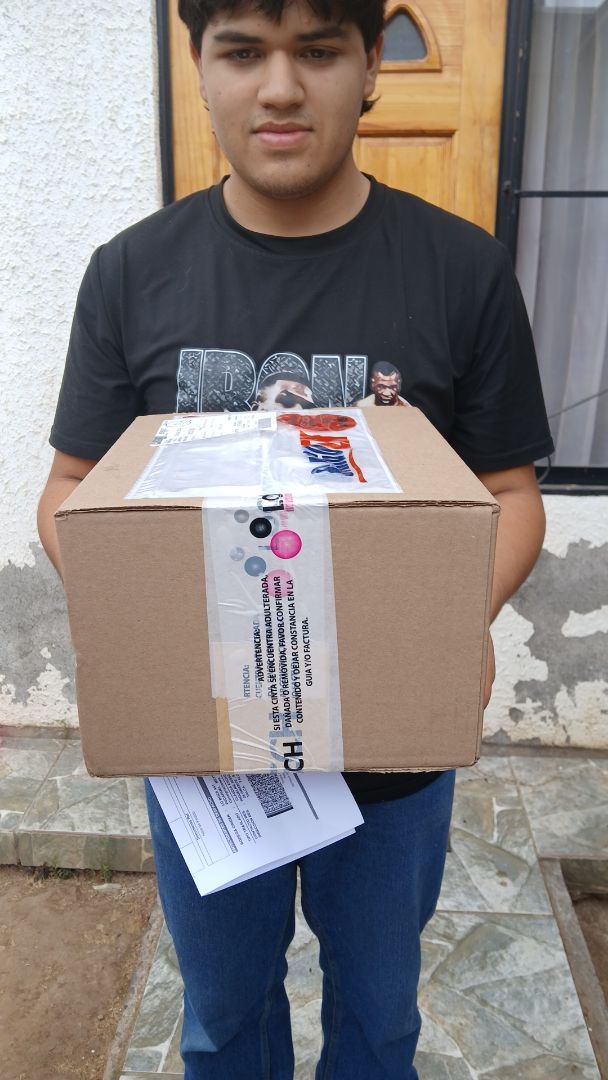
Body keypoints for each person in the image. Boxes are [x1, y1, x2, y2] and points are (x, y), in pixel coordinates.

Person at [37, 1, 554, 1076]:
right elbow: (71, 492)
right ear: (199, 66)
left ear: (369, 67)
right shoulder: (130, 272)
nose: (280, 88)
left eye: (317, 51)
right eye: (243, 51)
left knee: (379, 1019)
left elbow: (509, 493)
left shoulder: (459, 269)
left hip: (391, 761)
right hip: (206, 759)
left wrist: (439, 626)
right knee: (224, 1020)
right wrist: (139, 620)